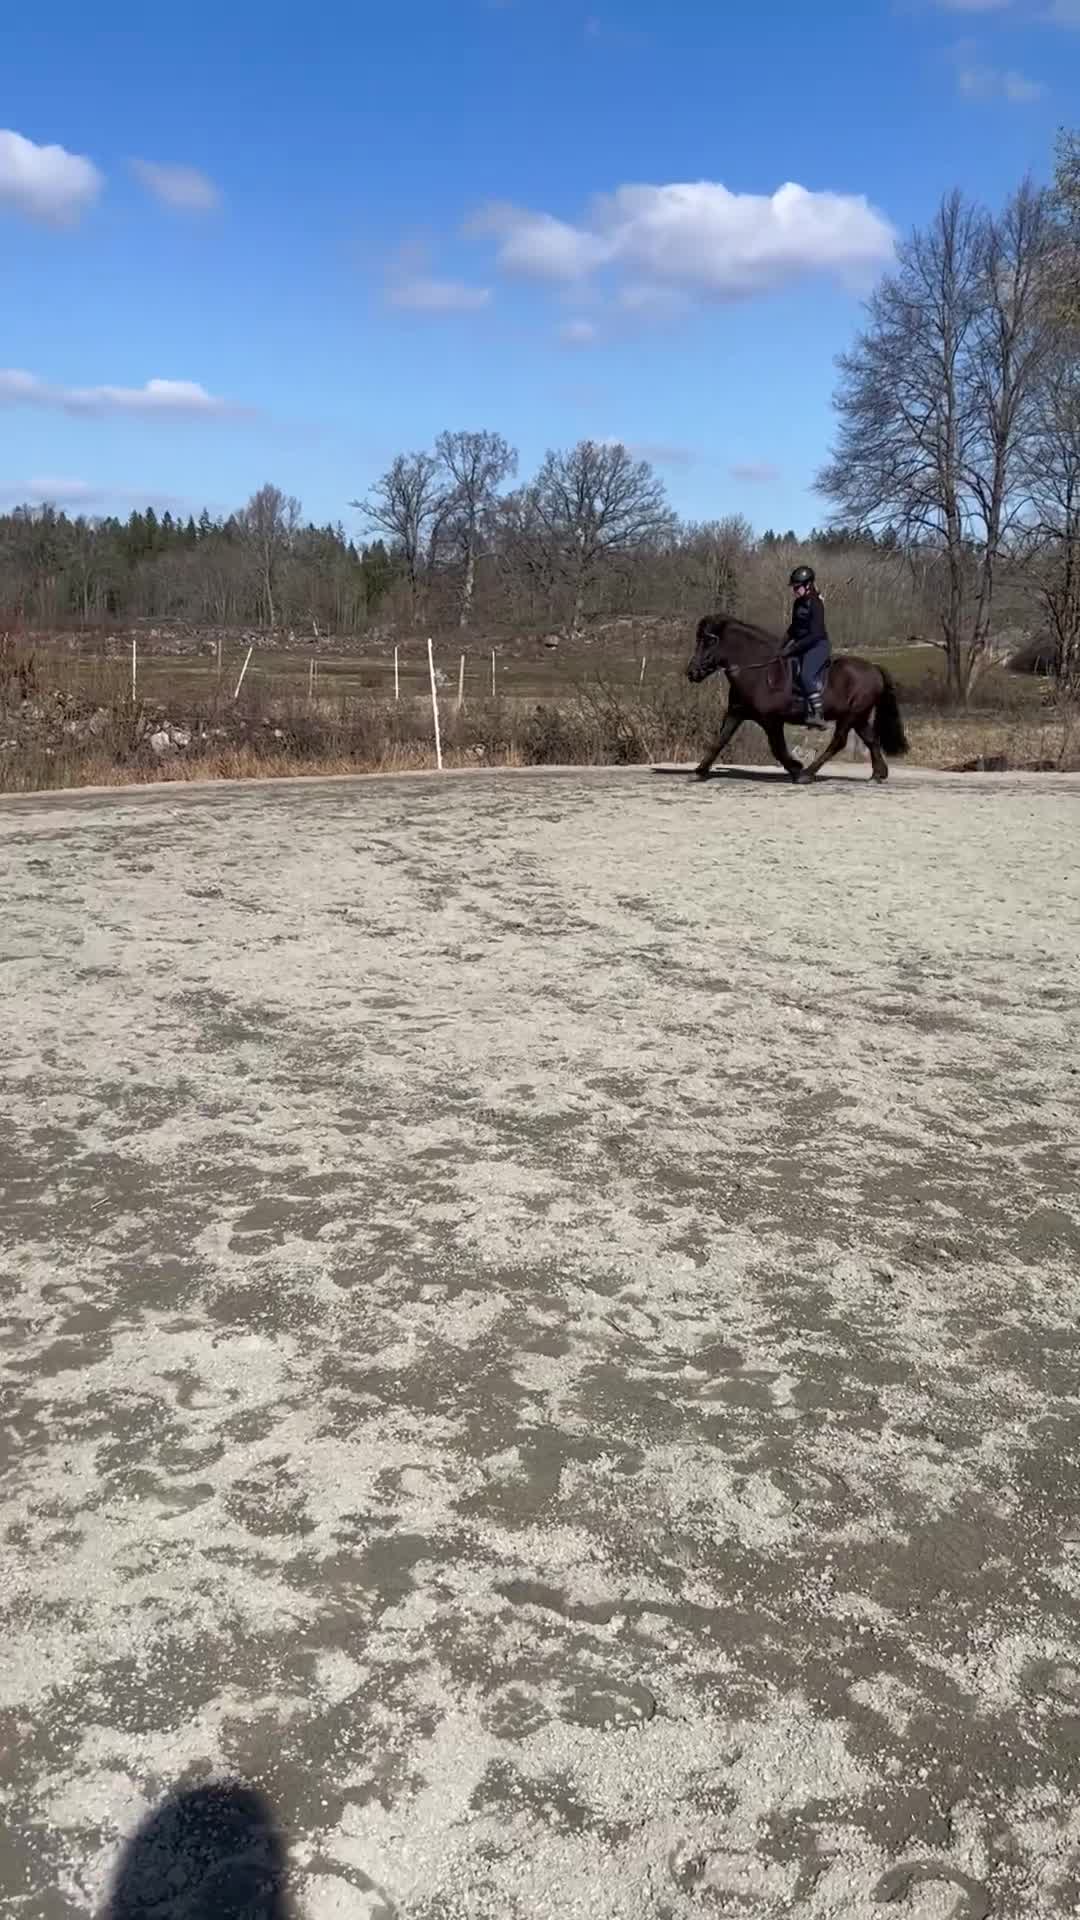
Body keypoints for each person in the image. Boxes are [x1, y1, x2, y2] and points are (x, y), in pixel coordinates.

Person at [783, 564, 830, 730]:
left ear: (808, 585)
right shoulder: (798, 604)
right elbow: (794, 628)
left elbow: (815, 634)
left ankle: (818, 714)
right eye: (794, 587)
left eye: (797, 587)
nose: (794, 590)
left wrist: (793, 648)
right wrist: (781, 646)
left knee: (805, 675)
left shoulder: (816, 604)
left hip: (818, 645)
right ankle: (802, 709)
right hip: (802, 645)